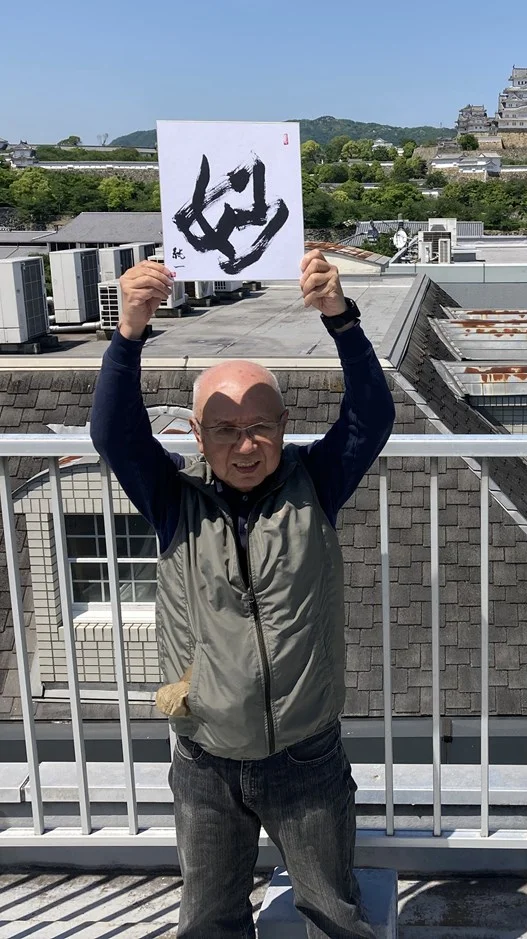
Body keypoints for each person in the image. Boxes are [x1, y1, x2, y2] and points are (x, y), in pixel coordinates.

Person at [90, 250, 395, 939]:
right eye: (225, 429)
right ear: (197, 435)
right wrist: (129, 331)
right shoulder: (175, 499)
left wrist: (340, 319)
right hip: (205, 758)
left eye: (260, 425)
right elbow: (113, 433)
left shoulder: (315, 483)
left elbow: (372, 417)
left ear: (285, 425)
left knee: (333, 912)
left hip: (305, 754)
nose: (246, 444)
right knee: (209, 921)